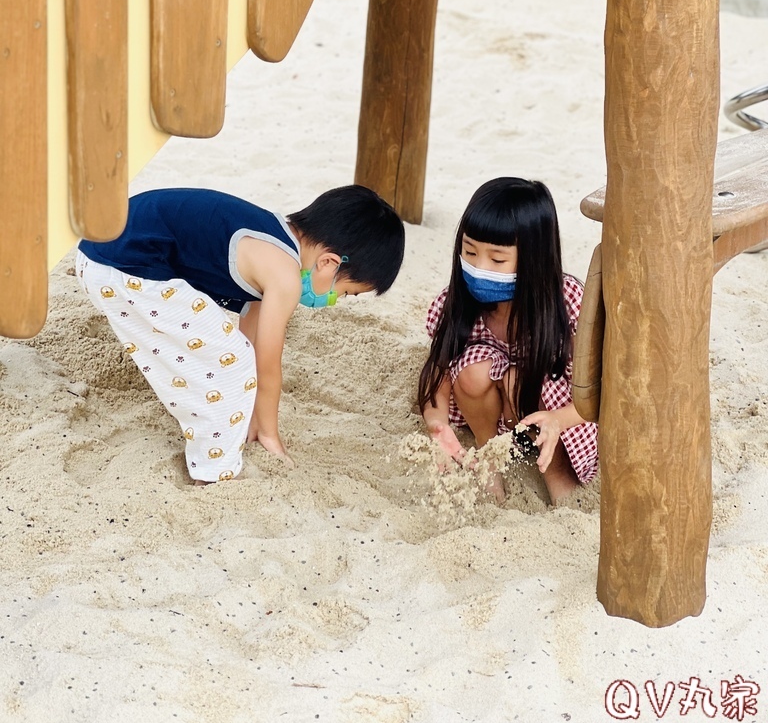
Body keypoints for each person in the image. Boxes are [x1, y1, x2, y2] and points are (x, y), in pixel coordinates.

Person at [76, 185, 405, 484]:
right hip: (126, 267)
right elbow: (267, 363)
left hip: (102, 250)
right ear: (329, 263)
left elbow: (250, 337)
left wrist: (246, 413)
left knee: (232, 353)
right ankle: (213, 470)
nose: (334, 301)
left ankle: (228, 431)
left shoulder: (273, 237)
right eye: (345, 292)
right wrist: (270, 433)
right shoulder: (285, 275)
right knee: (231, 362)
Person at [418, 177, 598, 505]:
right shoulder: (457, 301)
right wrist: (436, 423)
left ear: (534, 260)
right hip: (492, 414)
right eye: (469, 252)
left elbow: (601, 385)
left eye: (497, 260)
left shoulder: (567, 303)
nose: (478, 267)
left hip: (561, 416)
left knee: (518, 379)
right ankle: (491, 459)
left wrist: (558, 420)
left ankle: (558, 478)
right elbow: (439, 370)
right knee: (472, 369)